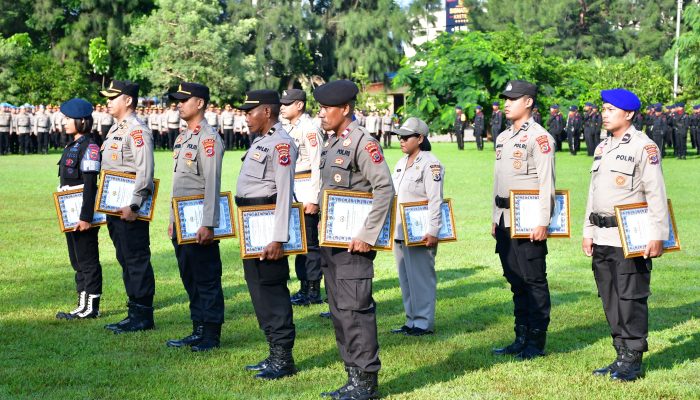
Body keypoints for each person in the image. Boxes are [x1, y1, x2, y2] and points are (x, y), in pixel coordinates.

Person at [582, 88, 669, 382]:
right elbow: (593, 193)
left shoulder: (644, 147)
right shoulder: (602, 147)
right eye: (603, 108)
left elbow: (656, 193)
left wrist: (657, 234)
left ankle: (633, 358)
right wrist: (588, 231)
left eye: (610, 109)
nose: (604, 114)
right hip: (602, 237)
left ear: (628, 113)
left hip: (630, 238)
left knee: (631, 297)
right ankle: (620, 354)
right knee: (610, 297)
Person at [314, 79, 394, 400]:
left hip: (354, 245)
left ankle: (365, 382)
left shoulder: (363, 142)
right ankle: (352, 375)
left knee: (356, 309)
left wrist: (367, 234)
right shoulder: (332, 141)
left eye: (326, 108)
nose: (320, 113)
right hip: (332, 242)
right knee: (339, 309)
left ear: (344, 109)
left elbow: (385, 189)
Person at [491, 80, 556, 360]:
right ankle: (520, 336)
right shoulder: (504, 137)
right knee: (515, 278)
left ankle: (535, 341)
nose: (506, 103)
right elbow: (498, 182)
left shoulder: (540, 138)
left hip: (528, 219)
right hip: (505, 218)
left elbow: (546, 183)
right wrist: (495, 217)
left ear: (528, 102)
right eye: (505, 98)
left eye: (513, 99)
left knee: (533, 280)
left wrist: (543, 221)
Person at [236, 90, 298, 380]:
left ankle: (283, 358)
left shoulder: (281, 144)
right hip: (253, 223)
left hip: (267, 224)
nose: (247, 117)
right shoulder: (262, 140)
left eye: (251, 111)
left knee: (272, 289)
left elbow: (285, 192)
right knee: (258, 289)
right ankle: (274, 352)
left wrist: (278, 237)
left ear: (267, 112)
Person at [164, 82, 226, 352]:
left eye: (184, 100)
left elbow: (212, 183)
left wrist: (208, 223)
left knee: (206, 278)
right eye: (177, 100)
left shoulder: (208, 139)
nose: (179, 104)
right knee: (189, 275)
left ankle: (211, 334)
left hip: (200, 222)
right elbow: (178, 184)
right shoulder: (183, 138)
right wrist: (171, 219)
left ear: (199, 103)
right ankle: (198, 327)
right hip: (182, 221)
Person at [99, 80, 157, 334]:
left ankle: (143, 315)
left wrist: (135, 204)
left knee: (136, 259)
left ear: (128, 100)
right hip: (115, 207)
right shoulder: (116, 129)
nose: (108, 102)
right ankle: (133, 311)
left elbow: (144, 171)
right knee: (125, 258)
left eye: (113, 98)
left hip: (130, 209)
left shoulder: (136, 130)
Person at [390, 117, 444, 337]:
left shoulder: (431, 164)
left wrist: (433, 230)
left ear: (420, 138)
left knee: (421, 277)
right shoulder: (402, 162)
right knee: (405, 277)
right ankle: (411, 319)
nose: (401, 140)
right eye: (400, 137)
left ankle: (423, 323)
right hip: (400, 229)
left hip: (421, 231)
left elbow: (435, 200)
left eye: (406, 137)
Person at [54, 98, 103, 320]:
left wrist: (86, 217)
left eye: (69, 119)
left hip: (82, 215)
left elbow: (90, 185)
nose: (65, 122)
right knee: (77, 261)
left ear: (82, 121)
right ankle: (81, 304)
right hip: (70, 214)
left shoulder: (90, 147)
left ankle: (91, 307)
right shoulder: (72, 145)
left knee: (87, 260)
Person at [280, 89, 325, 307]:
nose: (282, 107)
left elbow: (317, 164)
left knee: (310, 244)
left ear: (299, 105)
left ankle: (313, 290)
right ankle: (304, 287)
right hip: (292, 187)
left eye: (287, 104)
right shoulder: (287, 127)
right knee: (298, 242)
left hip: (306, 186)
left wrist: (315, 198)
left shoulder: (309, 128)